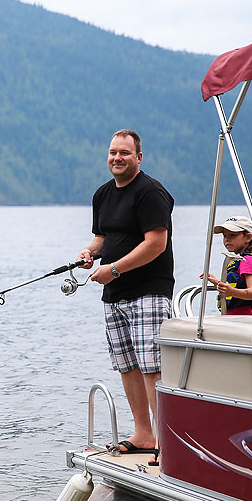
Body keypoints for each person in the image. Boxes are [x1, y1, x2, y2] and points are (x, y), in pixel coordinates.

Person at [77, 129, 174, 455]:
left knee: (153, 366)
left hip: (149, 292)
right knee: (127, 364)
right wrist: (89, 253)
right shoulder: (103, 195)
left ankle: (166, 441)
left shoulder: (150, 193)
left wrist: (114, 268)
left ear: (139, 158)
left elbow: (156, 244)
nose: (117, 158)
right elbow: (103, 238)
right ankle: (144, 434)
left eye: (125, 153)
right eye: (113, 152)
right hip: (114, 294)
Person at [202, 216, 252, 316]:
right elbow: (236, 286)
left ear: (248, 237)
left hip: (246, 318)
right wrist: (217, 282)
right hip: (234, 317)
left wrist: (231, 291)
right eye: (224, 236)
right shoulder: (236, 261)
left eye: (232, 235)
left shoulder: (247, 260)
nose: (227, 239)